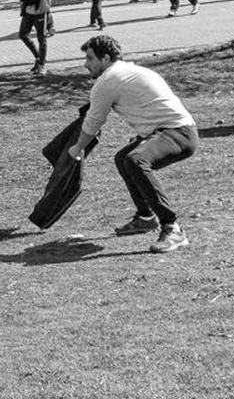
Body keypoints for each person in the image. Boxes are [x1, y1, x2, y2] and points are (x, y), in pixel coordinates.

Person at [69, 34, 198, 254]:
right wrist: (144, 137)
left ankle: (172, 227)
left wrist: (78, 147)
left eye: (90, 59)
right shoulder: (132, 71)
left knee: (136, 160)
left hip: (179, 132)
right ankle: (146, 216)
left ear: (106, 58)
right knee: (123, 158)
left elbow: (94, 121)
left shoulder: (108, 80)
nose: (85, 64)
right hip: (175, 129)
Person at [13, 0, 52, 75]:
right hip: (28, 8)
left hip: (40, 8)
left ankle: (42, 65)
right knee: (23, 34)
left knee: (42, 38)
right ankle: (38, 57)